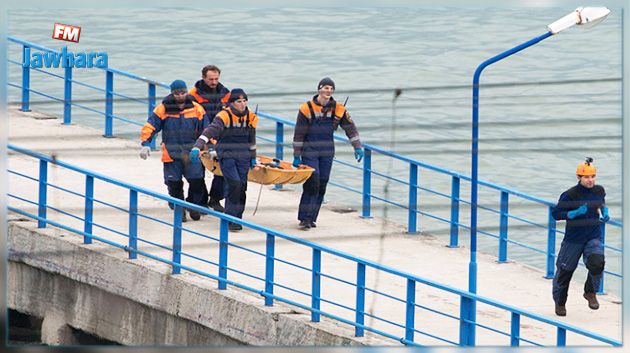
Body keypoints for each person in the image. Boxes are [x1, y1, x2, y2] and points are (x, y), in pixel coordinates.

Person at [292, 77, 363, 230]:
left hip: (327, 150)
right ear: (319, 89)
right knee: (313, 182)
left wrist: (357, 146)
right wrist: (296, 155)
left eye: (331, 89)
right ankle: (303, 218)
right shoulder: (306, 109)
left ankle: (312, 218)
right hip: (309, 149)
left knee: (322, 184)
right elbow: (298, 134)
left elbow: (350, 128)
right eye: (325, 88)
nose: (328, 91)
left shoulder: (339, 109)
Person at [190, 89, 258, 231]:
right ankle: (230, 219)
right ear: (232, 103)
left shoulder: (250, 117)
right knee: (234, 184)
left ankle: (238, 218)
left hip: (244, 156)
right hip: (227, 155)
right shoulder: (224, 116)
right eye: (239, 101)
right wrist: (197, 146)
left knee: (242, 187)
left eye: (245, 101)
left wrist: (253, 158)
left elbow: (252, 140)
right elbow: (210, 131)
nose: (242, 104)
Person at [140, 79, 208, 222]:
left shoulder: (197, 108)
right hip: (171, 152)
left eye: (183, 92)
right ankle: (179, 209)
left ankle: (192, 205)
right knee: (173, 183)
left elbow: (207, 130)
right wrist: (146, 143)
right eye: (177, 93)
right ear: (172, 93)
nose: (180, 95)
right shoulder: (163, 109)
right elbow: (151, 126)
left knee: (197, 181)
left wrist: (211, 147)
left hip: (192, 152)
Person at [551, 157, 609, 316]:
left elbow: (601, 202)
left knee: (598, 262)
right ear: (579, 177)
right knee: (565, 271)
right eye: (586, 177)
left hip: (593, 235)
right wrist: (574, 213)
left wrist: (604, 212)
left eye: (592, 176)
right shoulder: (570, 195)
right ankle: (560, 302)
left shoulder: (599, 190)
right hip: (574, 238)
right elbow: (555, 214)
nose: (590, 180)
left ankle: (590, 292)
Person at [189, 65, 231, 213]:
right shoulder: (193, 95)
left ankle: (215, 199)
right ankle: (199, 202)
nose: (214, 82)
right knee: (197, 172)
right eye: (210, 79)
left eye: (216, 79)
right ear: (203, 78)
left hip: (220, 137)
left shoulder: (225, 93)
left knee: (222, 170)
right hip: (199, 137)